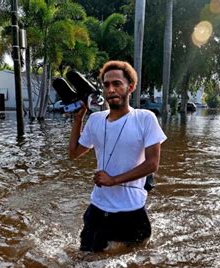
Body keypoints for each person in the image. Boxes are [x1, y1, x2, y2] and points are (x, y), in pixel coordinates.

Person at [68, 61, 167, 252]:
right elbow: (74, 154)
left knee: (134, 266)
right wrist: (78, 119)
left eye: (117, 84)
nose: (111, 89)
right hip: (98, 207)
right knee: (84, 266)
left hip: (132, 210)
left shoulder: (145, 118)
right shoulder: (96, 120)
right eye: (106, 85)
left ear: (130, 87)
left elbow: (152, 164)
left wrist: (114, 180)